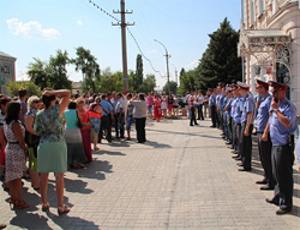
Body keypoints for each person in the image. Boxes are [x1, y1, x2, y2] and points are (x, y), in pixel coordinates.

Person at [34, 89, 71, 215]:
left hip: (44, 145)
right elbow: (67, 93)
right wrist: (53, 91)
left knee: (43, 176)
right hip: (58, 144)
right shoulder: (57, 110)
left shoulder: (39, 114)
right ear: (52, 99)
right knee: (59, 176)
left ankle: (44, 203)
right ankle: (60, 206)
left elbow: (37, 131)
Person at [264, 81, 297, 215]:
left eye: (275, 92)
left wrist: (277, 109)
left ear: (282, 91)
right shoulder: (275, 104)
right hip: (275, 143)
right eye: (272, 92)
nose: (273, 94)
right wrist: (266, 132)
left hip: (283, 145)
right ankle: (278, 197)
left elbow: (288, 123)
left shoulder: (289, 106)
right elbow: (271, 120)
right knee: (276, 173)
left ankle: (286, 204)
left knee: (284, 176)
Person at [4, 102, 29, 209]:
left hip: (9, 148)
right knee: (17, 177)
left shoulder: (6, 122)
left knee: (11, 177)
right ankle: (19, 200)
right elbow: (21, 141)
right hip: (16, 150)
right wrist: (26, 150)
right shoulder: (15, 124)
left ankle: (14, 198)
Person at [254, 80, 275, 190]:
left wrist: (266, 132)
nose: (256, 89)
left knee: (267, 157)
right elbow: (259, 116)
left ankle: (271, 181)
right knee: (262, 157)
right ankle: (266, 176)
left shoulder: (269, 99)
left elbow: (271, 117)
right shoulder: (261, 99)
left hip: (265, 132)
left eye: (258, 88)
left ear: (263, 88)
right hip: (260, 130)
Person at [237, 82, 255, 172]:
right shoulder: (244, 99)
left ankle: (247, 165)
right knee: (243, 144)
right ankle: (244, 162)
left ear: (244, 90)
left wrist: (247, 128)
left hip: (247, 124)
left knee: (246, 145)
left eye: (239, 89)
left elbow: (250, 114)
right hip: (244, 123)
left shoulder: (249, 99)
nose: (238, 90)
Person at [64, 101, 87, 169]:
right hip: (76, 131)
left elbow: (63, 121)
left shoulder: (65, 112)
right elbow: (80, 121)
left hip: (67, 130)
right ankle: (76, 163)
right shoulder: (77, 112)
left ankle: (67, 163)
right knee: (77, 147)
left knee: (68, 147)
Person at [24, 96, 41, 191]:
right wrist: (39, 133)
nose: (38, 102)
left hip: (36, 140)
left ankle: (35, 182)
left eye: (39, 101)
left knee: (35, 162)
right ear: (31, 103)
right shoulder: (30, 113)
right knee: (33, 162)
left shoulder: (36, 112)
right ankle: (35, 183)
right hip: (33, 140)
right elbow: (29, 128)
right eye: (35, 101)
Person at [77, 98, 92, 163]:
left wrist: (88, 124)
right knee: (81, 145)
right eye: (80, 104)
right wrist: (86, 124)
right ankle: (82, 159)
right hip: (80, 129)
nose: (82, 106)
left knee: (86, 144)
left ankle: (87, 158)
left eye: (82, 104)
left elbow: (89, 120)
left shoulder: (86, 111)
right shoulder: (76, 111)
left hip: (86, 129)